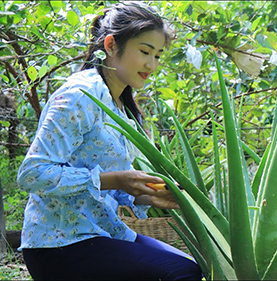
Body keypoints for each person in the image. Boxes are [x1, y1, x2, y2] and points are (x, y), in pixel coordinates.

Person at [17, 2, 202, 280]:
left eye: (158, 56)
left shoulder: (122, 108)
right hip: (60, 244)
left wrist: (148, 196)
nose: (151, 65)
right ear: (111, 45)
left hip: (103, 231)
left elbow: (110, 188)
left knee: (192, 264)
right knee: (180, 272)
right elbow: (32, 175)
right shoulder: (80, 95)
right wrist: (115, 179)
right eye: (144, 52)